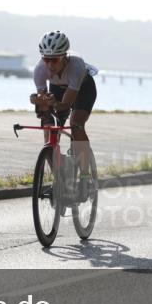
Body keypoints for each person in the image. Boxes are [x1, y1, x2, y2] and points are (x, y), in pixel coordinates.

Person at [29, 31, 98, 193]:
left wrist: (53, 103)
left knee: (76, 124)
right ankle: (60, 181)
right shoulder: (39, 70)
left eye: (54, 60)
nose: (50, 65)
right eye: (46, 59)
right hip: (58, 89)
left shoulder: (77, 66)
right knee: (49, 129)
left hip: (82, 89)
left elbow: (66, 104)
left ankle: (85, 177)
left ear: (65, 57)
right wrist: (41, 102)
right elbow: (44, 102)